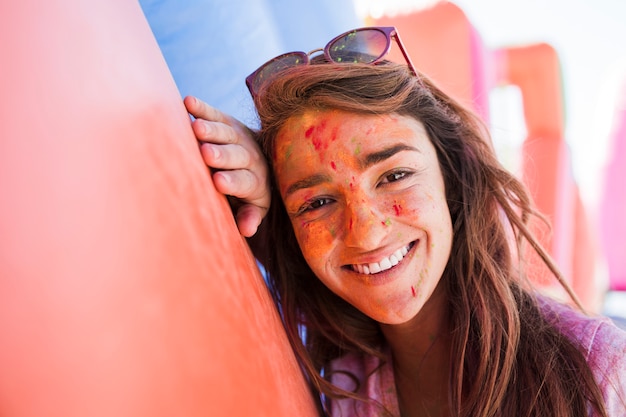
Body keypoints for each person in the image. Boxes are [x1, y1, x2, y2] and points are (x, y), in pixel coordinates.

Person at [185, 26, 626, 417]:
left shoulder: (599, 370)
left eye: (395, 176)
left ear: (451, 179)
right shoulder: (340, 385)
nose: (368, 231)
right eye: (317, 202)